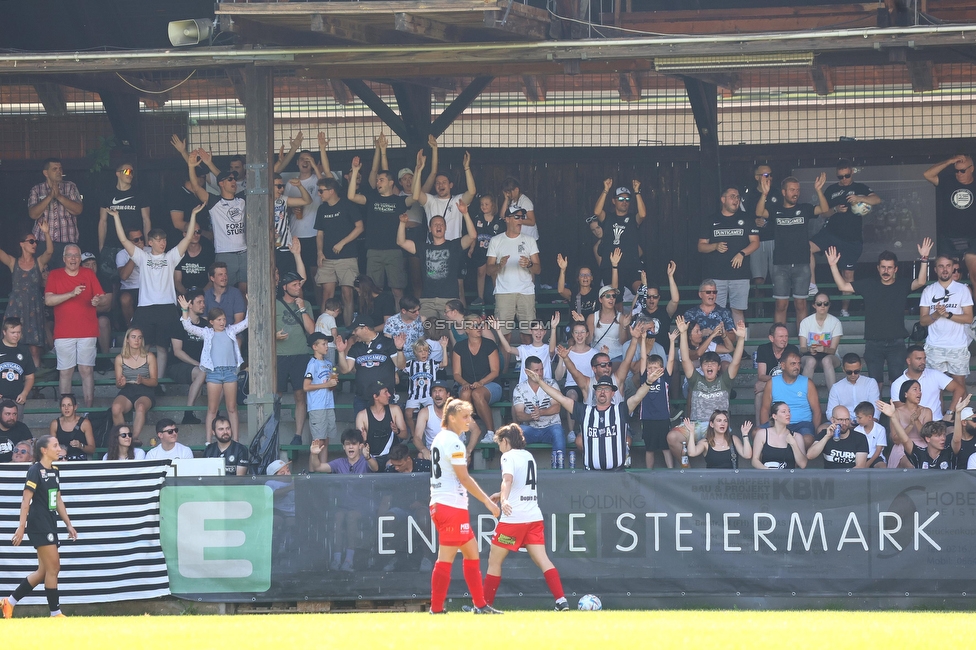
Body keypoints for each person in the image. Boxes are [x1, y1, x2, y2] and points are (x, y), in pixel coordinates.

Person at [110, 202, 203, 384]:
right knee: (143, 346)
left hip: (167, 307)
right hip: (145, 307)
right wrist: (116, 217)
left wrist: (192, 215)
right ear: (150, 242)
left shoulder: (171, 257)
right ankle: (140, 379)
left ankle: (158, 383)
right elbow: (123, 240)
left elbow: (188, 237)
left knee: (162, 348)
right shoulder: (142, 257)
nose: (162, 243)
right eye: (158, 240)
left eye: (164, 240)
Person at [482, 424, 568, 611]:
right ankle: (561, 600)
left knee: (494, 561)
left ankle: (484, 605)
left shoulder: (508, 456)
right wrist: (501, 494)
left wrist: (503, 500)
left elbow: (508, 480)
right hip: (533, 518)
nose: (499, 448)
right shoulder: (528, 456)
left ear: (505, 441)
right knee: (543, 560)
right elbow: (521, 485)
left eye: (500, 443)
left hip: (514, 519)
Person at [427, 397, 501, 614]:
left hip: (445, 504)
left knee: (472, 553)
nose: (469, 420)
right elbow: (465, 478)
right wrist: (488, 502)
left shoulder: (441, 438)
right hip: (450, 506)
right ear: (452, 418)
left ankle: (480, 605)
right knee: (445, 559)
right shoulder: (454, 442)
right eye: (465, 416)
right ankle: (436, 609)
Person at [826, 240, 932, 385]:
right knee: (875, 384)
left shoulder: (902, 284)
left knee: (897, 383)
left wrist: (924, 259)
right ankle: (877, 409)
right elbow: (842, 285)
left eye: (889, 268)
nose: (886, 271)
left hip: (897, 343)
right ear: (878, 268)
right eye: (883, 267)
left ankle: (894, 409)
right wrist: (833, 265)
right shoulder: (868, 284)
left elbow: (920, 282)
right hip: (873, 343)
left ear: (895, 269)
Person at [1, 435, 77, 619]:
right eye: (55, 445)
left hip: (50, 523)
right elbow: (25, 501)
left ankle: (8, 602)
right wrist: (21, 527)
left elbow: (57, 499)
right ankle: (55, 613)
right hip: (39, 524)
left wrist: (68, 524)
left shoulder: (55, 470)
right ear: (44, 450)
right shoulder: (35, 470)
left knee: (43, 571)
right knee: (54, 568)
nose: (59, 449)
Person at [529, 367, 660, 471]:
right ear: (595, 392)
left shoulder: (620, 410)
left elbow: (637, 397)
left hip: (617, 474)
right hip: (591, 475)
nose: (602, 392)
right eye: (599, 389)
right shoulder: (585, 411)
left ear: (613, 393)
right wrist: (540, 382)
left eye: (606, 389)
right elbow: (561, 398)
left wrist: (648, 382)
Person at [667, 316, 748, 461]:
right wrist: (684, 334)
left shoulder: (725, 381)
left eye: (713, 364)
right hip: (696, 424)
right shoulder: (695, 380)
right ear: (701, 367)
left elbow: (735, 363)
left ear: (718, 368)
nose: (709, 366)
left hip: (719, 425)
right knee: (672, 437)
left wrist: (741, 339)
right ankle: (687, 469)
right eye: (706, 364)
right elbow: (685, 359)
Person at [756, 173, 830, 328]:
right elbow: (759, 213)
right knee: (781, 305)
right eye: (791, 190)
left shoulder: (805, 209)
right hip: (780, 265)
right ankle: (778, 342)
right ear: (783, 192)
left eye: (797, 190)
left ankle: (802, 343)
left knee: (801, 304)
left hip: (802, 264)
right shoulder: (775, 210)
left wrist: (818, 190)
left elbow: (824, 209)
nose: (795, 193)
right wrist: (764, 194)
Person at [809, 160, 882, 312]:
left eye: (846, 176)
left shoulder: (859, 187)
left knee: (848, 275)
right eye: (840, 177)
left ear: (852, 173)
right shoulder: (831, 190)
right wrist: (835, 209)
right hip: (831, 233)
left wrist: (860, 199)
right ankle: (812, 285)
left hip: (852, 239)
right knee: (806, 248)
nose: (844, 179)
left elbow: (876, 199)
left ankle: (844, 310)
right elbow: (823, 213)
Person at [348, 153, 420, 304]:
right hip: (374, 250)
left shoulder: (399, 201)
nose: (378, 182)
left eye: (381, 180)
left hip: (394, 250)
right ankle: (376, 323)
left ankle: (399, 323)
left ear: (391, 182)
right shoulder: (372, 198)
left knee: (397, 290)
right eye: (377, 180)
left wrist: (418, 171)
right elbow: (351, 196)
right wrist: (355, 171)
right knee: (373, 290)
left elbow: (415, 196)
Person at [396, 199, 477, 329]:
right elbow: (401, 242)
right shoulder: (423, 248)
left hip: (449, 299)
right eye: (435, 224)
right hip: (427, 300)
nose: (438, 226)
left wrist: (465, 214)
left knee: (450, 335)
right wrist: (402, 223)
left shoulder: (453, 246)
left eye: (441, 224)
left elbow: (472, 236)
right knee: (429, 334)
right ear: (430, 228)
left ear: (445, 228)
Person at [178, 294, 249, 442]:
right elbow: (187, 326)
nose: (222, 322)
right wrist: (185, 309)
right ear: (211, 322)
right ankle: (209, 441)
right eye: (219, 320)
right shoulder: (207, 332)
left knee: (232, 408)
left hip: (230, 372)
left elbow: (247, 322)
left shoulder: (231, 330)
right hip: (214, 373)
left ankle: (235, 441)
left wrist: (250, 304)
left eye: (224, 319)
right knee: (212, 409)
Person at [45, 244, 108, 407]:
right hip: (63, 332)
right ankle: (66, 411)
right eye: (70, 256)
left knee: (86, 370)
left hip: (87, 330)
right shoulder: (55, 275)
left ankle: (88, 410)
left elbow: (102, 297)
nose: (73, 259)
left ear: (80, 259)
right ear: (64, 258)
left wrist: (97, 300)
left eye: (76, 256)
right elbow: (49, 300)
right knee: (66, 372)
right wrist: (71, 294)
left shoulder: (88, 273)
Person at [309, 429, 379, 573]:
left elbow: (375, 468)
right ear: (343, 447)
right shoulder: (339, 463)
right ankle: (336, 559)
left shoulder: (366, 461)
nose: (351, 447)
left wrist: (368, 457)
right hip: (343, 507)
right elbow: (317, 467)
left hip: (364, 508)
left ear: (360, 445)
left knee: (351, 517)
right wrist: (314, 454)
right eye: (347, 444)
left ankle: (349, 560)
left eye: (354, 444)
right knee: (338, 517)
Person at [698, 184, 760, 324]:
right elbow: (701, 246)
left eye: (738, 197)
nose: (736, 200)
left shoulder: (747, 219)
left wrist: (742, 253)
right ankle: (715, 344)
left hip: (740, 275)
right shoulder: (711, 220)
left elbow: (755, 242)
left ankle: (739, 345)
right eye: (732, 196)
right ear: (723, 199)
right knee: (715, 310)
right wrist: (714, 246)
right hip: (717, 275)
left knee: (738, 310)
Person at [188, 152, 248, 294]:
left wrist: (210, 163)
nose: (233, 182)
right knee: (224, 290)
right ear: (221, 183)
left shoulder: (242, 198)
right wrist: (191, 166)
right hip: (225, 253)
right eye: (229, 180)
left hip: (244, 252)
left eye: (234, 179)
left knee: (245, 290)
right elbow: (196, 188)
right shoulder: (215, 202)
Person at [486, 203, 541, 344]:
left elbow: (538, 269)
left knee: (528, 335)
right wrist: (499, 265)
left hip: (526, 293)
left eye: (522, 217)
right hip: (503, 293)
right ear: (507, 219)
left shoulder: (529, 240)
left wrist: (529, 264)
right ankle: (502, 367)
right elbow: (488, 270)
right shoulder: (496, 240)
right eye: (517, 217)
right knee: (504, 336)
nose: (521, 220)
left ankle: (527, 366)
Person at [1, 223, 53, 368]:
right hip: (16, 308)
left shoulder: (39, 263)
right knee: (13, 346)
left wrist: (47, 233)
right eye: (31, 241)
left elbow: (49, 252)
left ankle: (35, 388)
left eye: (35, 241)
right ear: (22, 244)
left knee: (34, 350)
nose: (34, 244)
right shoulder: (13, 262)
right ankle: (15, 383)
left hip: (33, 308)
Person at [919, 254, 973, 389]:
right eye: (941, 266)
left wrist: (948, 315)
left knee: (960, 386)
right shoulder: (928, 290)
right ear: (935, 269)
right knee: (935, 387)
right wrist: (937, 314)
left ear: (952, 268)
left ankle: (959, 411)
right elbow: (923, 321)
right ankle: (938, 412)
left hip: (958, 346)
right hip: (934, 346)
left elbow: (968, 318)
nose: (945, 269)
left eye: (948, 266)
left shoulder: (962, 289)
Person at [315, 177, 363, 326]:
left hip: (347, 257)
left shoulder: (348, 205)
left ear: (331, 191)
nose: (319, 194)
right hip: (327, 258)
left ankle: (349, 328)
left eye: (321, 191)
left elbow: (360, 227)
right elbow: (320, 233)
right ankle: (324, 330)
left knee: (347, 293)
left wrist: (342, 243)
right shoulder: (322, 208)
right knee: (326, 295)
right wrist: (319, 252)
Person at [923, 154, 976, 288]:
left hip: (972, 238)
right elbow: (927, 174)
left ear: (972, 169)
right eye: (956, 170)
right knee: (945, 276)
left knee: (974, 276)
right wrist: (949, 161)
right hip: (948, 238)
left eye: (962, 170)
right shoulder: (948, 181)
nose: (959, 174)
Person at [276, 270, 316, 445]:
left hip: (301, 355)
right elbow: (264, 328)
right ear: (284, 287)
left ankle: (298, 435)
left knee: (300, 395)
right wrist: (274, 336)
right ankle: (273, 430)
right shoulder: (275, 304)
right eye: (294, 285)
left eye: (299, 284)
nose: (298, 287)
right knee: (276, 394)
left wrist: (302, 309)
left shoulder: (305, 303)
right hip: (280, 356)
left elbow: (312, 330)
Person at [336, 316, 405, 413]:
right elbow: (345, 369)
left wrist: (399, 350)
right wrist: (341, 352)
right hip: (362, 398)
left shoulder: (388, 343)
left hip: (384, 397)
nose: (353, 333)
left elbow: (401, 366)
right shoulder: (356, 347)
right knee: (361, 428)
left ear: (365, 328)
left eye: (356, 330)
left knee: (384, 427)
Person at [98, 162, 151, 288]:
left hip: (134, 245)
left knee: (132, 281)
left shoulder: (140, 194)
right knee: (111, 282)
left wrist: (148, 245)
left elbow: (146, 220)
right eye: (127, 171)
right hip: (112, 244)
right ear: (118, 173)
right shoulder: (107, 194)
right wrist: (101, 246)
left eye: (132, 172)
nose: (130, 174)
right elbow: (102, 221)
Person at [452, 314, 502, 442]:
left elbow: (495, 372)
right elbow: (456, 374)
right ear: (467, 329)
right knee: (465, 393)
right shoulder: (459, 347)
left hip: (491, 384)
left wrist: (481, 382)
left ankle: (491, 433)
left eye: (480, 324)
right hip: (468, 384)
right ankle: (462, 431)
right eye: (474, 325)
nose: (479, 328)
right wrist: (464, 383)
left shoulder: (489, 344)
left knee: (477, 394)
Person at [511, 356, 566, 469]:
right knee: (516, 433)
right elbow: (519, 414)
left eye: (541, 369)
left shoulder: (551, 383)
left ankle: (559, 469)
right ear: (527, 372)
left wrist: (540, 412)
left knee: (558, 432)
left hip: (551, 427)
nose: (540, 373)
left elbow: (557, 407)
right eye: (536, 370)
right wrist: (532, 416)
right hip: (531, 429)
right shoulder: (519, 388)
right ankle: (514, 469)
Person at [28, 158, 83, 270]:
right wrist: (49, 197)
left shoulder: (70, 186)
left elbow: (78, 210)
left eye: (60, 169)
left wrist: (59, 196)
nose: (59, 171)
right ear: (46, 173)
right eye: (54, 169)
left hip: (67, 242)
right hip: (43, 243)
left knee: (66, 278)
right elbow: (33, 214)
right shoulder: (37, 189)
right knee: (43, 277)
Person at [760, 348, 821, 447]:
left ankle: (795, 462)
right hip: (778, 423)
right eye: (793, 364)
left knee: (808, 439)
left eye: (798, 363)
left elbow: (817, 411)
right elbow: (764, 409)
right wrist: (766, 432)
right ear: (783, 365)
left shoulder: (808, 383)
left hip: (802, 424)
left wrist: (815, 433)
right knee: (756, 433)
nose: (797, 367)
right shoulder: (772, 383)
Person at [592, 179, 645, 292]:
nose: (624, 201)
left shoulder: (632, 218)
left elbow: (642, 214)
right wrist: (605, 189)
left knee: (642, 291)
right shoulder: (608, 217)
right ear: (613, 201)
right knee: (615, 299)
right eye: (620, 199)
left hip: (631, 266)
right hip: (610, 266)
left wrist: (637, 192)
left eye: (627, 199)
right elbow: (597, 212)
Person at [413, 150, 477, 242]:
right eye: (437, 183)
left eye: (444, 182)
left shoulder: (458, 200)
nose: (440, 185)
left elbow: (471, 192)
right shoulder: (430, 200)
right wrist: (418, 170)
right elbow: (416, 193)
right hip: (433, 247)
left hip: (454, 247)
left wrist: (466, 168)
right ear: (434, 186)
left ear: (450, 185)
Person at [880, 399, 962, 470]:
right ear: (928, 439)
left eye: (944, 435)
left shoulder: (949, 452)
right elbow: (905, 440)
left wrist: (958, 413)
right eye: (938, 436)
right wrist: (893, 417)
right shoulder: (919, 454)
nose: (943, 438)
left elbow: (957, 439)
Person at [890, 345, 962, 422]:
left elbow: (959, 389)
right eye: (918, 359)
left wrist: (949, 413)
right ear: (909, 361)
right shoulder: (897, 384)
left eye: (924, 358)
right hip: (912, 425)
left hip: (937, 424)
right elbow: (901, 411)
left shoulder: (935, 375)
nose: (923, 362)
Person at [638, 331, 678, 469]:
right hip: (647, 418)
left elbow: (671, 360)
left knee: (666, 447)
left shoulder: (665, 378)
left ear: (661, 369)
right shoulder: (644, 378)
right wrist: (643, 340)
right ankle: (649, 473)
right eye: (650, 368)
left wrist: (672, 341)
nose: (652, 370)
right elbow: (643, 358)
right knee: (649, 448)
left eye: (655, 368)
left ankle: (671, 472)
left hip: (663, 418)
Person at [413, 380, 481, 461]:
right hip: (434, 453)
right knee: (421, 455)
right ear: (431, 395)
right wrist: (423, 450)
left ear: (448, 395)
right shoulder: (425, 412)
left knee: (466, 458)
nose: (437, 394)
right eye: (434, 391)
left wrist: (468, 450)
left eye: (440, 391)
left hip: (455, 452)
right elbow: (416, 437)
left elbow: (476, 430)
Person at [111, 328, 157, 444]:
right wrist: (121, 383)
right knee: (116, 408)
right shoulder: (119, 358)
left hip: (145, 389)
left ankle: (134, 438)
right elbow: (118, 384)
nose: (137, 340)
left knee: (140, 406)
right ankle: (123, 436)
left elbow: (154, 381)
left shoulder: (149, 356)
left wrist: (143, 381)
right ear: (127, 340)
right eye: (133, 337)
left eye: (139, 337)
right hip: (127, 389)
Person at [169, 289, 208, 424]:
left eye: (203, 301)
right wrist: (197, 364)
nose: (203, 304)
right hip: (177, 365)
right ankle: (188, 412)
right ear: (189, 305)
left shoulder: (206, 325)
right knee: (202, 372)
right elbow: (177, 351)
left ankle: (214, 412)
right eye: (199, 302)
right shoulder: (177, 324)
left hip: (200, 368)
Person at [488, 312, 559, 385]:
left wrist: (553, 328)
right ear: (530, 331)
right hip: (526, 388)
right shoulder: (524, 349)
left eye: (541, 330)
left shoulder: (548, 348)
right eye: (536, 330)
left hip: (545, 387)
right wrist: (498, 331)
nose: (538, 333)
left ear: (545, 332)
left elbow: (551, 350)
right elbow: (508, 349)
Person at [742, 164, 778, 306]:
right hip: (756, 241)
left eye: (770, 174)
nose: (769, 177)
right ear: (757, 177)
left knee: (778, 279)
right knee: (758, 280)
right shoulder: (749, 195)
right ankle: (759, 313)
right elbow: (742, 218)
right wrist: (753, 222)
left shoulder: (778, 193)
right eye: (765, 175)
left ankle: (778, 312)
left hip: (776, 239)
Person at [304, 332, 339, 465]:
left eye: (327, 343)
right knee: (318, 441)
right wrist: (327, 384)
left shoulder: (329, 364)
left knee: (326, 439)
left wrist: (333, 383)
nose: (327, 346)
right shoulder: (312, 364)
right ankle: (312, 472)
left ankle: (323, 467)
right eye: (323, 344)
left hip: (328, 404)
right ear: (315, 347)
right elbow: (306, 386)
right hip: (317, 406)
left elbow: (330, 387)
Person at [753, 323, 799, 424]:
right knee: (759, 395)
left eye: (786, 336)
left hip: (790, 385)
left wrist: (766, 384)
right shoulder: (763, 349)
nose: (784, 339)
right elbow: (761, 375)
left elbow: (793, 376)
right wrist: (771, 384)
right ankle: (760, 428)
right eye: (781, 336)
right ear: (771, 338)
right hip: (775, 385)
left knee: (761, 386)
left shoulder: (793, 350)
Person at [355, 382, 408, 468]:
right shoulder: (362, 416)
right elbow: (359, 447)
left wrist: (397, 431)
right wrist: (363, 440)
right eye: (385, 392)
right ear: (375, 396)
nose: (389, 395)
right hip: (371, 458)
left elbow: (405, 435)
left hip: (392, 457)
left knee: (391, 466)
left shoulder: (395, 410)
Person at [404, 336, 449, 435]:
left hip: (428, 395)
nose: (423, 353)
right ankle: (413, 433)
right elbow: (399, 365)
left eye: (426, 350)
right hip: (414, 396)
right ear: (415, 353)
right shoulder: (410, 364)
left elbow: (445, 363)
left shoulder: (432, 363)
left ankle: (429, 433)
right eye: (420, 351)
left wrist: (444, 348)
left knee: (431, 413)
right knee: (408, 413)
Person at [798, 292, 843, 389]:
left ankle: (833, 396)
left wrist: (824, 350)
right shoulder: (806, 322)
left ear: (829, 305)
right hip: (809, 355)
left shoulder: (835, 322)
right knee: (810, 361)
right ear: (814, 305)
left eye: (825, 303)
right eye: (819, 304)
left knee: (826, 360)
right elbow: (802, 348)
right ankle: (802, 395)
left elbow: (833, 350)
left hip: (831, 356)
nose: (822, 306)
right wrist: (810, 349)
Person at [886, 379, 932, 469]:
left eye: (920, 389)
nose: (919, 392)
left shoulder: (927, 411)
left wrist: (916, 420)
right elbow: (896, 440)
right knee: (911, 465)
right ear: (905, 394)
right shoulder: (896, 412)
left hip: (922, 447)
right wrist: (910, 425)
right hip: (902, 448)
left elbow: (927, 437)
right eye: (915, 389)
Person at [683, 412, 753, 469]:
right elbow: (692, 453)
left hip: (730, 482)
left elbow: (747, 455)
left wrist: (745, 435)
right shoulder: (705, 443)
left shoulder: (734, 439)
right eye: (719, 421)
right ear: (712, 424)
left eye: (725, 421)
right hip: (712, 482)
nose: (723, 423)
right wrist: (691, 432)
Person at [471, 194, 505, 306]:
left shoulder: (499, 221)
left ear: (493, 205)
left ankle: (497, 296)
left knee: (494, 273)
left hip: (494, 253)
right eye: (482, 204)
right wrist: (471, 248)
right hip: (480, 250)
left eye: (486, 204)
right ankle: (480, 298)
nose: (483, 206)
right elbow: (473, 235)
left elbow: (502, 239)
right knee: (481, 272)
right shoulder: (477, 218)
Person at [751, 402, 808, 469]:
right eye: (783, 412)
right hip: (768, 476)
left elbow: (803, 465)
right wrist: (770, 471)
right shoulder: (762, 434)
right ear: (774, 416)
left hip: (788, 478)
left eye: (789, 411)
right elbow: (754, 460)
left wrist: (793, 444)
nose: (788, 414)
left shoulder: (797, 436)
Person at [682, 280, 738, 345]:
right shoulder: (690, 313)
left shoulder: (725, 313)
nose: (712, 295)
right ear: (700, 294)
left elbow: (733, 338)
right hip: (698, 352)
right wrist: (701, 333)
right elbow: (684, 338)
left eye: (714, 292)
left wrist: (722, 333)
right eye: (708, 292)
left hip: (721, 353)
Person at [0, 318, 36, 418]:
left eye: (18, 332)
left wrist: (24, 393)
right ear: (4, 332)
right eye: (13, 332)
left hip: (17, 400)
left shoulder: (24, 350)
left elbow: (30, 377)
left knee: (16, 430)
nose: (16, 335)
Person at [827, 354, 881, 420]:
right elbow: (830, 412)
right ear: (843, 369)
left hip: (866, 423)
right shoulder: (836, 387)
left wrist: (870, 423)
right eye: (849, 372)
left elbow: (876, 409)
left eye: (856, 371)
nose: (853, 375)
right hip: (844, 424)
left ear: (861, 367)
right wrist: (844, 422)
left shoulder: (870, 383)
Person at [587, 283, 630, 364]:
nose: (611, 298)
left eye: (613, 296)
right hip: (597, 355)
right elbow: (588, 340)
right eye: (607, 296)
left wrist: (624, 327)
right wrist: (582, 325)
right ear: (600, 300)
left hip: (617, 355)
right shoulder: (592, 317)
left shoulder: (621, 317)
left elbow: (623, 342)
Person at [174, 219, 215, 295]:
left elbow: (211, 280)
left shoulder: (208, 253)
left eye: (198, 232)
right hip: (185, 296)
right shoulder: (179, 253)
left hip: (204, 295)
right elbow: (177, 281)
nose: (195, 235)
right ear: (184, 234)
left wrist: (199, 296)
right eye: (192, 232)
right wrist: (188, 296)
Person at [382, 295, 427, 364]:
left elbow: (423, 341)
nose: (417, 313)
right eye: (414, 311)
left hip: (418, 358)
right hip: (398, 358)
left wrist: (425, 325)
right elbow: (387, 343)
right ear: (404, 311)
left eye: (418, 309)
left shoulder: (421, 320)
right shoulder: (391, 321)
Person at [48, 394, 94, 460]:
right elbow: (52, 448)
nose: (66, 408)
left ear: (75, 407)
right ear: (60, 408)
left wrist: (81, 446)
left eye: (69, 405)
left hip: (80, 461)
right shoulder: (55, 424)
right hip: (62, 461)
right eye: (63, 405)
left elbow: (92, 449)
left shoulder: (85, 423)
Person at [853, 401, 887, 468]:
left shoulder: (880, 429)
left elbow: (878, 451)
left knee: (882, 466)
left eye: (859, 418)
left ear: (869, 417)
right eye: (856, 417)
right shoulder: (856, 430)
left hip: (876, 457)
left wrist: (867, 464)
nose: (857, 420)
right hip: (860, 457)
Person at [314, 297, 341, 365]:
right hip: (329, 345)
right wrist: (335, 343)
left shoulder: (320, 317)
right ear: (336, 310)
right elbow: (334, 332)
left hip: (319, 345)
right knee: (330, 365)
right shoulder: (331, 318)